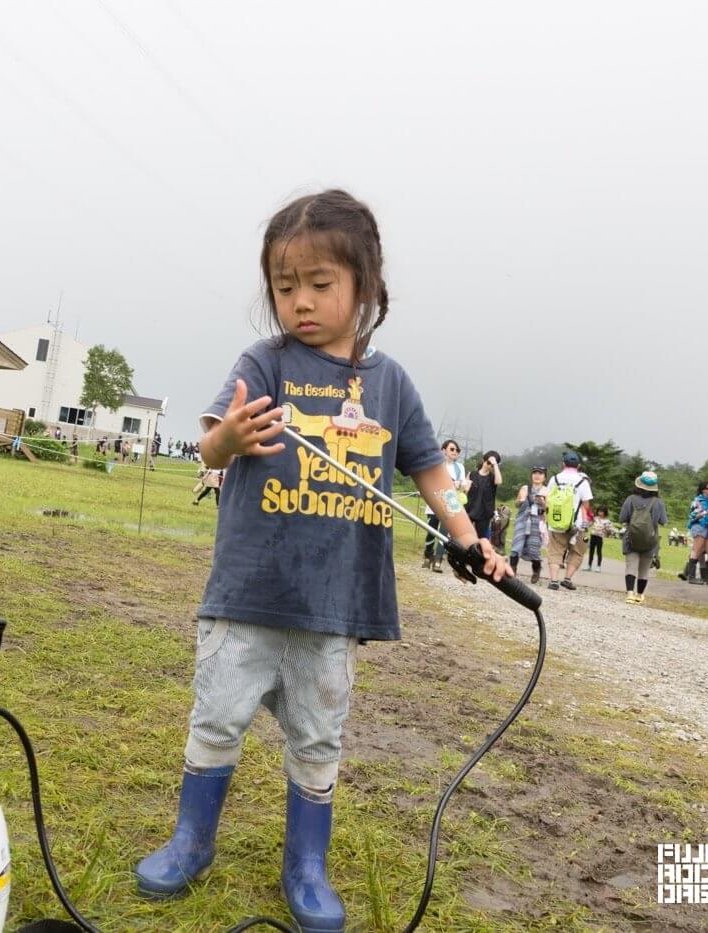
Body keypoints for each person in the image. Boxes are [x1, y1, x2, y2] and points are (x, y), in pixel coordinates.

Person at [133, 189, 510, 931]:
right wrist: (228, 441)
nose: (299, 301)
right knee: (216, 717)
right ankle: (190, 839)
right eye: (283, 286)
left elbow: (431, 470)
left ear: (364, 286)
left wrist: (468, 535)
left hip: (333, 605)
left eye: (319, 283)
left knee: (318, 735)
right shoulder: (263, 361)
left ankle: (306, 865)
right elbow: (211, 442)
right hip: (247, 593)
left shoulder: (391, 384)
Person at [544, 451, 593, 591]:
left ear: (563, 464)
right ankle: (567, 579)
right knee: (577, 551)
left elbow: (547, 500)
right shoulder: (583, 482)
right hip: (577, 525)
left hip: (557, 522)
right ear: (578, 466)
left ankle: (553, 581)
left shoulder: (555, 479)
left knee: (555, 551)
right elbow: (586, 505)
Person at [619, 472, 667, 603]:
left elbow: (622, 518)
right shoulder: (658, 503)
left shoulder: (630, 499)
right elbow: (663, 521)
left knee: (631, 566)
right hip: (650, 540)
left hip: (631, 538)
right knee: (644, 569)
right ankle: (639, 595)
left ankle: (629, 593)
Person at [421, 439, 467, 573]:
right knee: (431, 530)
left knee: (444, 533)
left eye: (457, 450)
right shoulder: (435, 465)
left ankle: (438, 560)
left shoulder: (460, 468)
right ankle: (428, 553)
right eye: (452, 449)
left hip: (450, 503)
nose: (455, 452)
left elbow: (462, 484)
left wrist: (460, 485)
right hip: (434, 502)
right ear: (443, 450)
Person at [509, 466, 548, 583]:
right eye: (535, 473)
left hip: (537, 522)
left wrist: (543, 503)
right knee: (516, 546)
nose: (537, 475)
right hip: (522, 520)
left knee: (534, 549)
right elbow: (516, 504)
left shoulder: (547, 490)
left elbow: (549, 509)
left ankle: (536, 570)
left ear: (544, 477)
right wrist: (520, 501)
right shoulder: (525, 488)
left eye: (540, 474)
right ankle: (512, 571)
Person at [681, 481, 708, 585]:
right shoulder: (697, 501)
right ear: (703, 489)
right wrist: (706, 512)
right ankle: (691, 577)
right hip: (699, 527)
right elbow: (692, 516)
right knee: (697, 550)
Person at [464, 450, 502, 541]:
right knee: (465, 535)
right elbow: (464, 492)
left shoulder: (493, 477)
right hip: (469, 510)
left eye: (492, 465)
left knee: (480, 538)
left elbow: (499, 482)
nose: (490, 465)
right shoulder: (472, 474)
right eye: (488, 462)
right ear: (484, 460)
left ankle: (477, 555)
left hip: (485, 513)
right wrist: (465, 489)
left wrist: (495, 464)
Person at [585, 506, 611, 573]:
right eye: (599, 511)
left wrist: (607, 530)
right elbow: (590, 525)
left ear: (605, 513)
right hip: (593, 536)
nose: (600, 513)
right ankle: (589, 565)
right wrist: (589, 522)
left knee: (599, 552)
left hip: (599, 537)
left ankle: (598, 566)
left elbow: (608, 531)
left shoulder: (607, 521)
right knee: (591, 551)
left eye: (602, 511)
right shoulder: (595, 518)